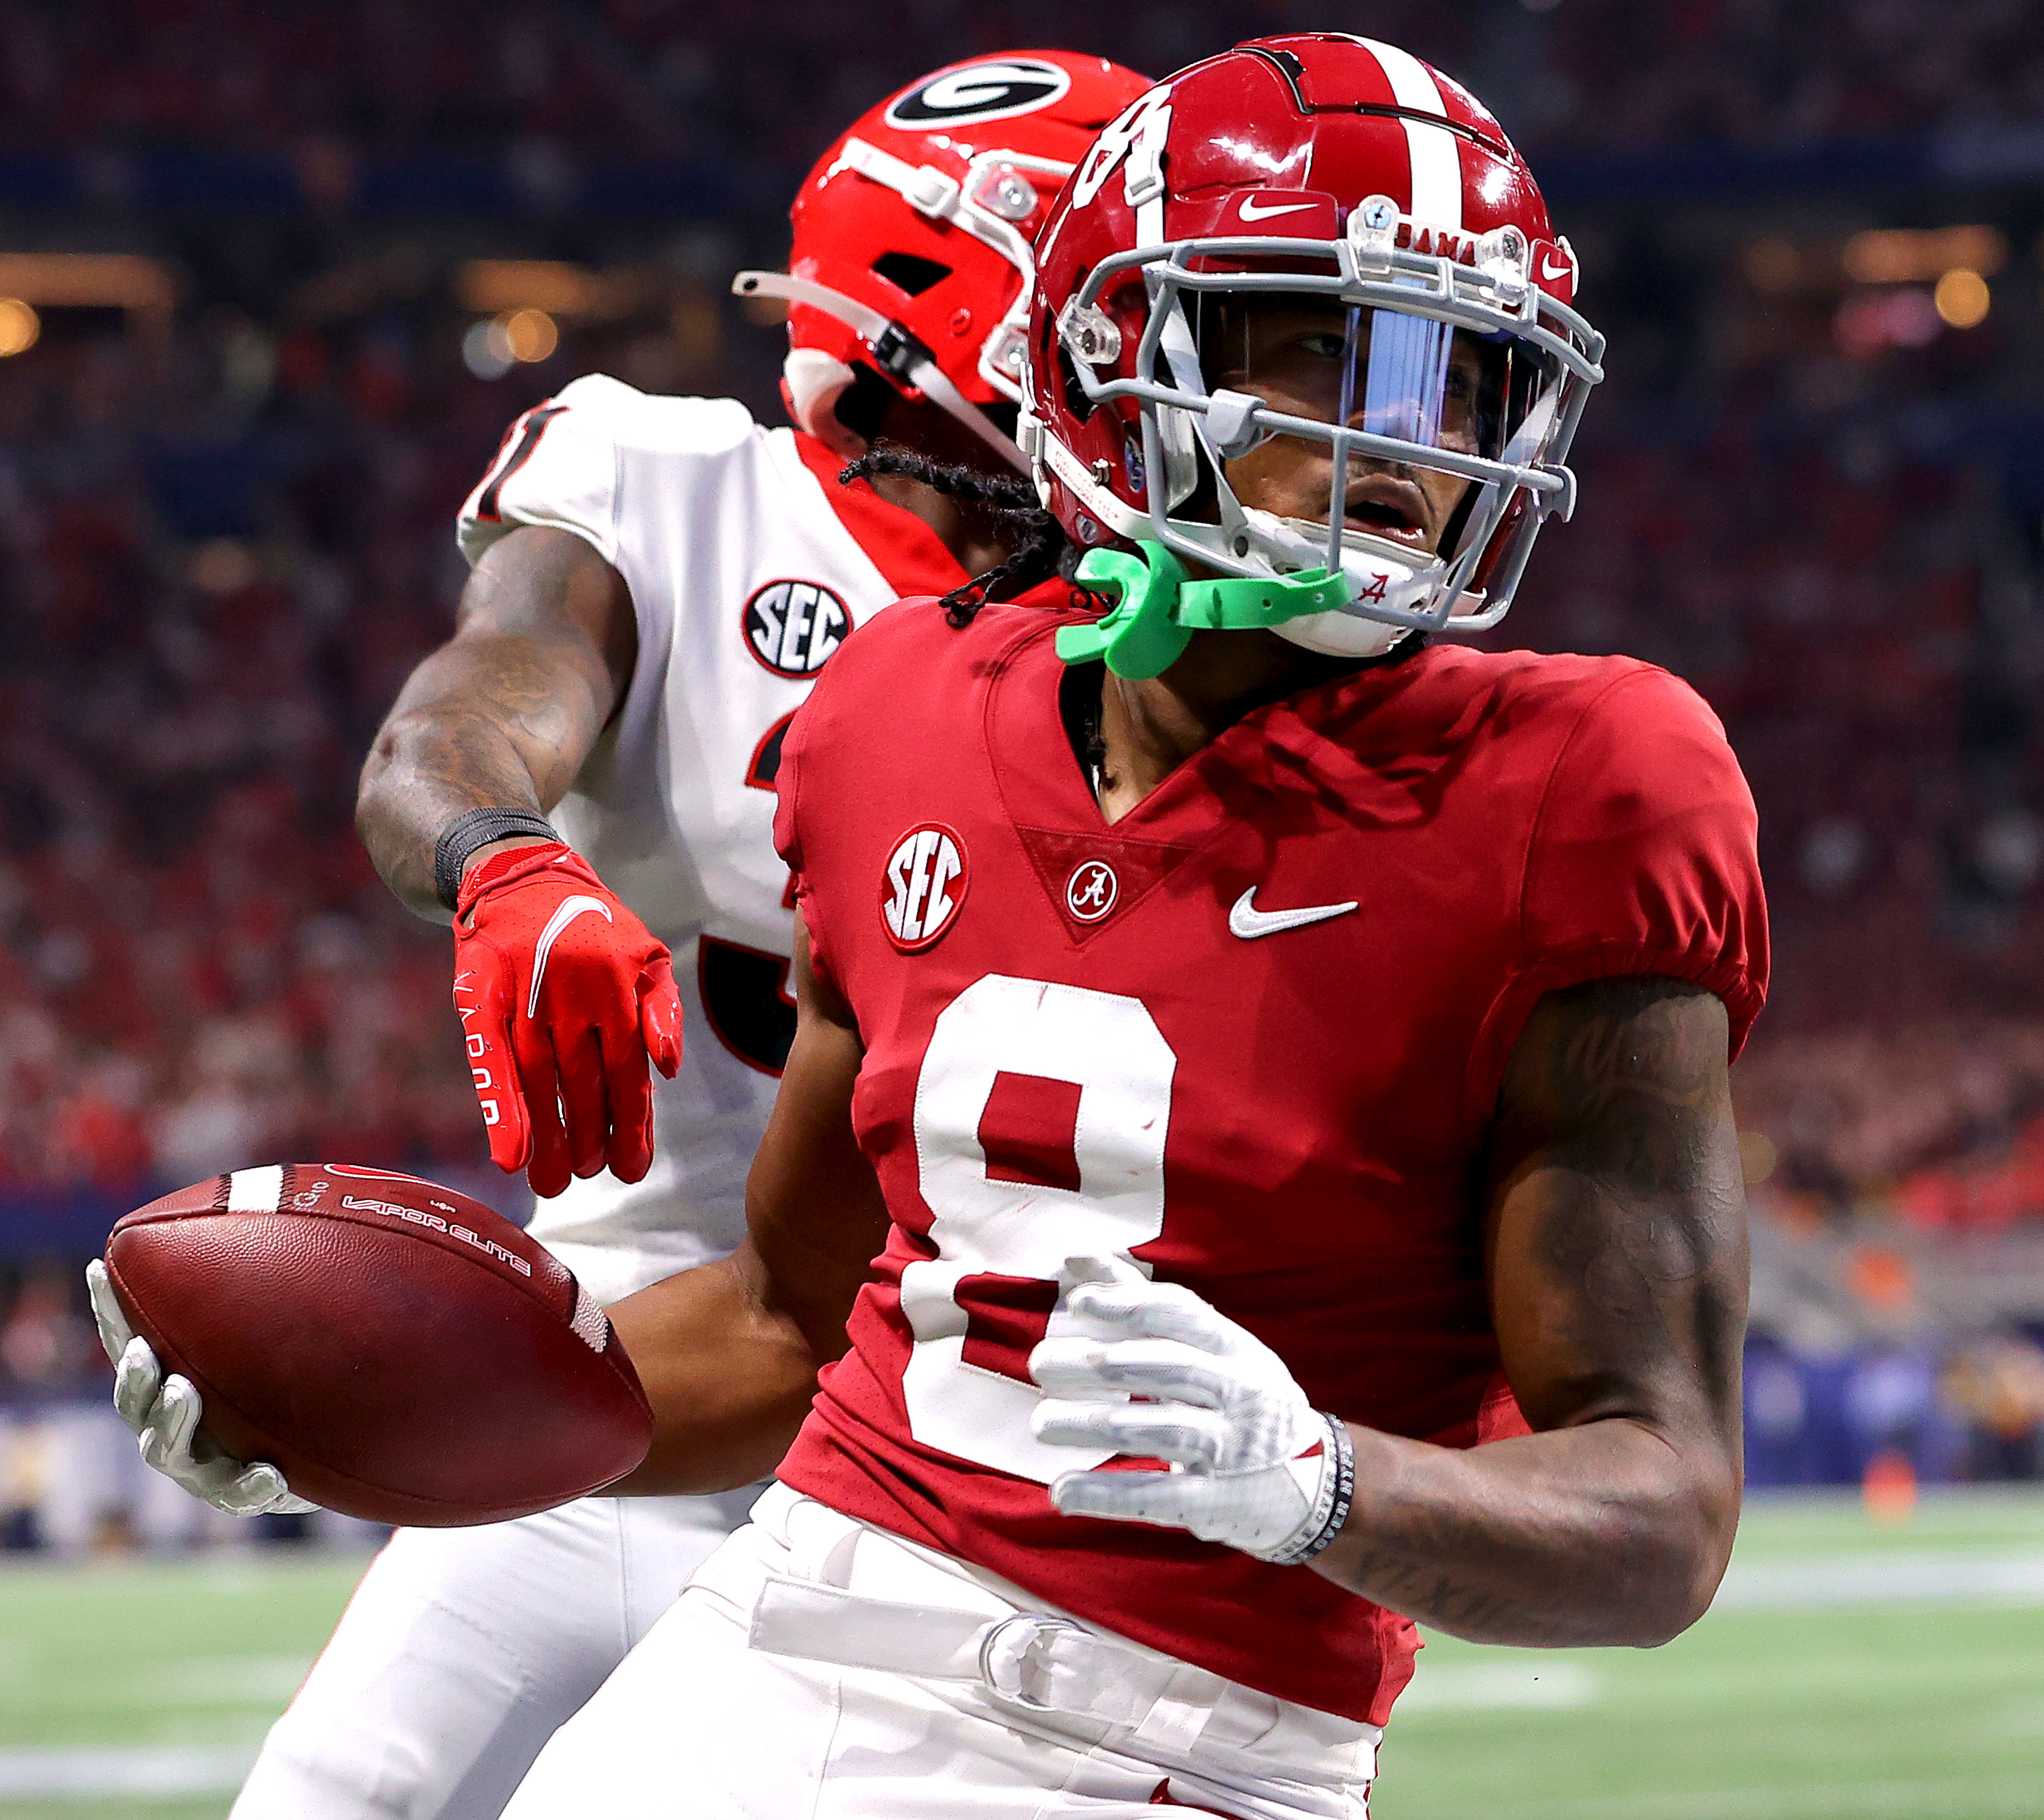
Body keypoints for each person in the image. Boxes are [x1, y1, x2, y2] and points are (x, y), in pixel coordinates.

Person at [499, 36, 1768, 1819]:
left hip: (1177, 1740)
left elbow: (1659, 1508)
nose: (1400, 437)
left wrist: (1319, 1480)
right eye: (1321, 344)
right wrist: (371, 1407)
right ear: (1108, 363)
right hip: (773, 1632)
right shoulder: (895, 715)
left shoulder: (1582, 782)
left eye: (1452, 375)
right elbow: (787, 1323)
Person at [83, 50, 1152, 1820]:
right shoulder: (670, 483)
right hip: (615, 1377)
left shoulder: (1183, 631)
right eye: (1133, 303)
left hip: (970, 1455)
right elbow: (457, 726)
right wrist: (505, 858)